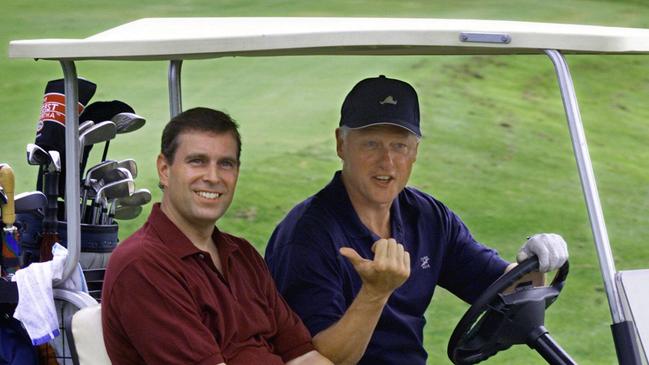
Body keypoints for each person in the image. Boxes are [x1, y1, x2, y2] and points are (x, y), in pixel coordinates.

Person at [264, 76, 569, 365]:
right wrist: (375, 293)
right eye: (370, 143)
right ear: (341, 144)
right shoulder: (306, 236)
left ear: (415, 152)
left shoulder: (427, 217)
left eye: (399, 146)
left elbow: (507, 292)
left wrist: (536, 260)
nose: (387, 161)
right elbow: (320, 358)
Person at [102, 107, 332, 365]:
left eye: (225, 164)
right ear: (164, 169)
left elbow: (303, 356)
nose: (213, 177)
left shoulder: (242, 254)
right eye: (197, 161)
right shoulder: (143, 264)